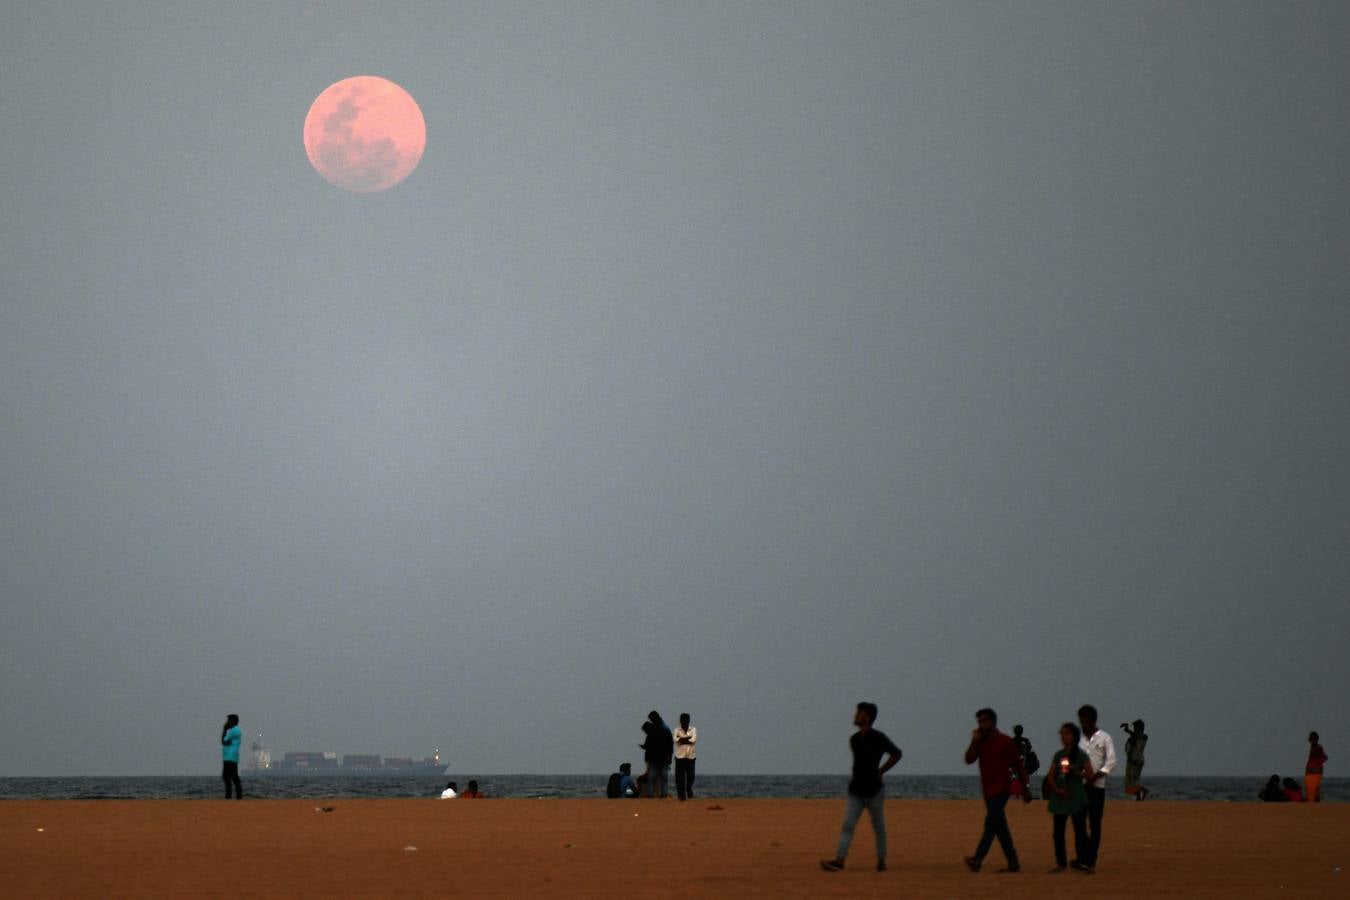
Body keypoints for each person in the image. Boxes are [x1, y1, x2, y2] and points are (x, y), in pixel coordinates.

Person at [820, 702, 902, 873]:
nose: (856, 715)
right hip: (856, 789)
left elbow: (897, 753)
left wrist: (882, 770)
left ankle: (881, 861)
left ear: (868, 717)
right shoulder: (854, 740)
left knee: (878, 826)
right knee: (848, 824)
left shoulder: (878, 737)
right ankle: (839, 860)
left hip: (874, 790)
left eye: (860, 713)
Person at [963, 708, 1031, 874]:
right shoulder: (980, 742)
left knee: (991, 823)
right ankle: (1013, 862)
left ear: (993, 722)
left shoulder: (1005, 741)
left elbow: (1018, 765)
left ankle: (977, 859)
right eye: (979, 721)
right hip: (988, 789)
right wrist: (974, 741)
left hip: (1002, 788)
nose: (982, 724)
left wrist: (1025, 788)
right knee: (1000, 827)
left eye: (985, 720)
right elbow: (969, 759)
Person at [1046, 722, 1095, 873]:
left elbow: (1090, 775)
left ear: (1074, 736)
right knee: (1058, 832)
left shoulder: (1081, 755)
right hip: (1061, 795)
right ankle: (1061, 863)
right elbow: (1051, 776)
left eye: (1066, 733)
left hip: (1076, 795)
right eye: (1062, 733)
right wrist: (1057, 790)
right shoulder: (1059, 755)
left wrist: (1076, 771)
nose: (1063, 736)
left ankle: (1084, 861)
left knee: (1080, 831)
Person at [1077, 704, 1117, 870]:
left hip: (1097, 786)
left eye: (1086, 721)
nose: (1083, 724)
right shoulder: (1079, 739)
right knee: (1079, 822)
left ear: (1093, 720)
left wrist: (1098, 775)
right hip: (1080, 785)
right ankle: (1084, 855)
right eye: (1081, 721)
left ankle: (1090, 859)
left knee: (1095, 823)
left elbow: (1112, 761)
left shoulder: (1104, 738)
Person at [640, 713, 674, 799]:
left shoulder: (657, 730)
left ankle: (652, 794)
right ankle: (663, 794)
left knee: (652, 777)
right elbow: (670, 744)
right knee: (663, 777)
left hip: (655, 758)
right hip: (663, 757)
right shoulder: (664, 728)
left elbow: (669, 744)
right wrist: (669, 755)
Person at [1122, 720, 1150, 801]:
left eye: (1134, 727)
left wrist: (1127, 730)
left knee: (1130, 781)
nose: (1133, 728)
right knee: (1135, 780)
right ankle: (1140, 794)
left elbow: (1136, 737)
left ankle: (1140, 793)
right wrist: (1128, 731)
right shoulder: (1143, 737)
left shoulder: (1138, 737)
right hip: (1139, 759)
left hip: (1133, 760)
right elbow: (1137, 736)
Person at [674, 713, 698, 801]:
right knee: (679, 778)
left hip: (690, 756)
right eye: (683, 720)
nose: (684, 722)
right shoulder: (677, 730)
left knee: (691, 776)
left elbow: (693, 740)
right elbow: (676, 740)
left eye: (686, 720)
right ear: (680, 721)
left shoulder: (693, 729)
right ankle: (681, 796)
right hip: (679, 757)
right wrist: (687, 738)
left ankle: (688, 788)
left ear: (688, 721)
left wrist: (682, 739)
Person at [1011, 725, 1039, 797]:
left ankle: (1017, 794)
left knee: (1016, 777)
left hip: (1019, 763)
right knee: (1023, 777)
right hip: (1021, 763)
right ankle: (1024, 792)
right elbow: (1029, 749)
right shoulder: (1025, 741)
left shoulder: (1012, 741)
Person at [220, 714, 243, 800]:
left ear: (232, 721)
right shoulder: (234, 731)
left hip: (230, 756)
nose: (227, 722)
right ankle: (235, 795)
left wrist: (224, 729)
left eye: (228, 720)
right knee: (231, 776)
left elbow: (223, 741)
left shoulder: (234, 731)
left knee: (229, 776)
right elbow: (225, 742)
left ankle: (231, 796)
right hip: (229, 757)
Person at [1305, 731, 1327, 803]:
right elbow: (1324, 758)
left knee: (1312, 794)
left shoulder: (1318, 748)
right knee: (1314, 793)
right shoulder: (1317, 748)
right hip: (1313, 773)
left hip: (1314, 773)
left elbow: (1323, 757)